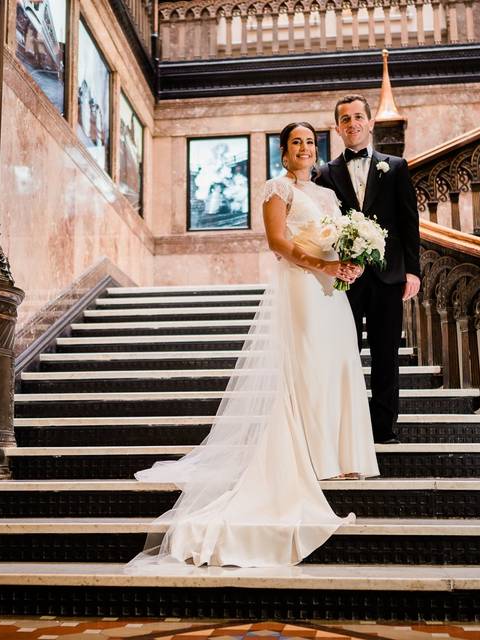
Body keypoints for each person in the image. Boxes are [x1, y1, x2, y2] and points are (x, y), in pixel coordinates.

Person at [128, 122, 379, 569]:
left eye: (309, 142)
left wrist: (351, 264)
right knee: (304, 364)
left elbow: (341, 237)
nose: (304, 148)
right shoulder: (275, 189)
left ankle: (338, 454)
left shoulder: (326, 195)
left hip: (330, 290)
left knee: (335, 365)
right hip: (302, 287)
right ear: (283, 152)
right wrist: (326, 263)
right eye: (295, 143)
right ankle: (307, 450)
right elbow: (279, 243)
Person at [315, 94, 421, 445]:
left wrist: (413, 271)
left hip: (389, 276)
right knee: (344, 353)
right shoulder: (324, 174)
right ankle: (346, 426)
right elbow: (322, 226)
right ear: (337, 127)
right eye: (345, 119)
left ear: (370, 122)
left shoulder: (396, 166)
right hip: (346, 279)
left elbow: (409, 223)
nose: (353, 124)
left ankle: (383, 429)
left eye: (358, 117)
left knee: (386, 354)